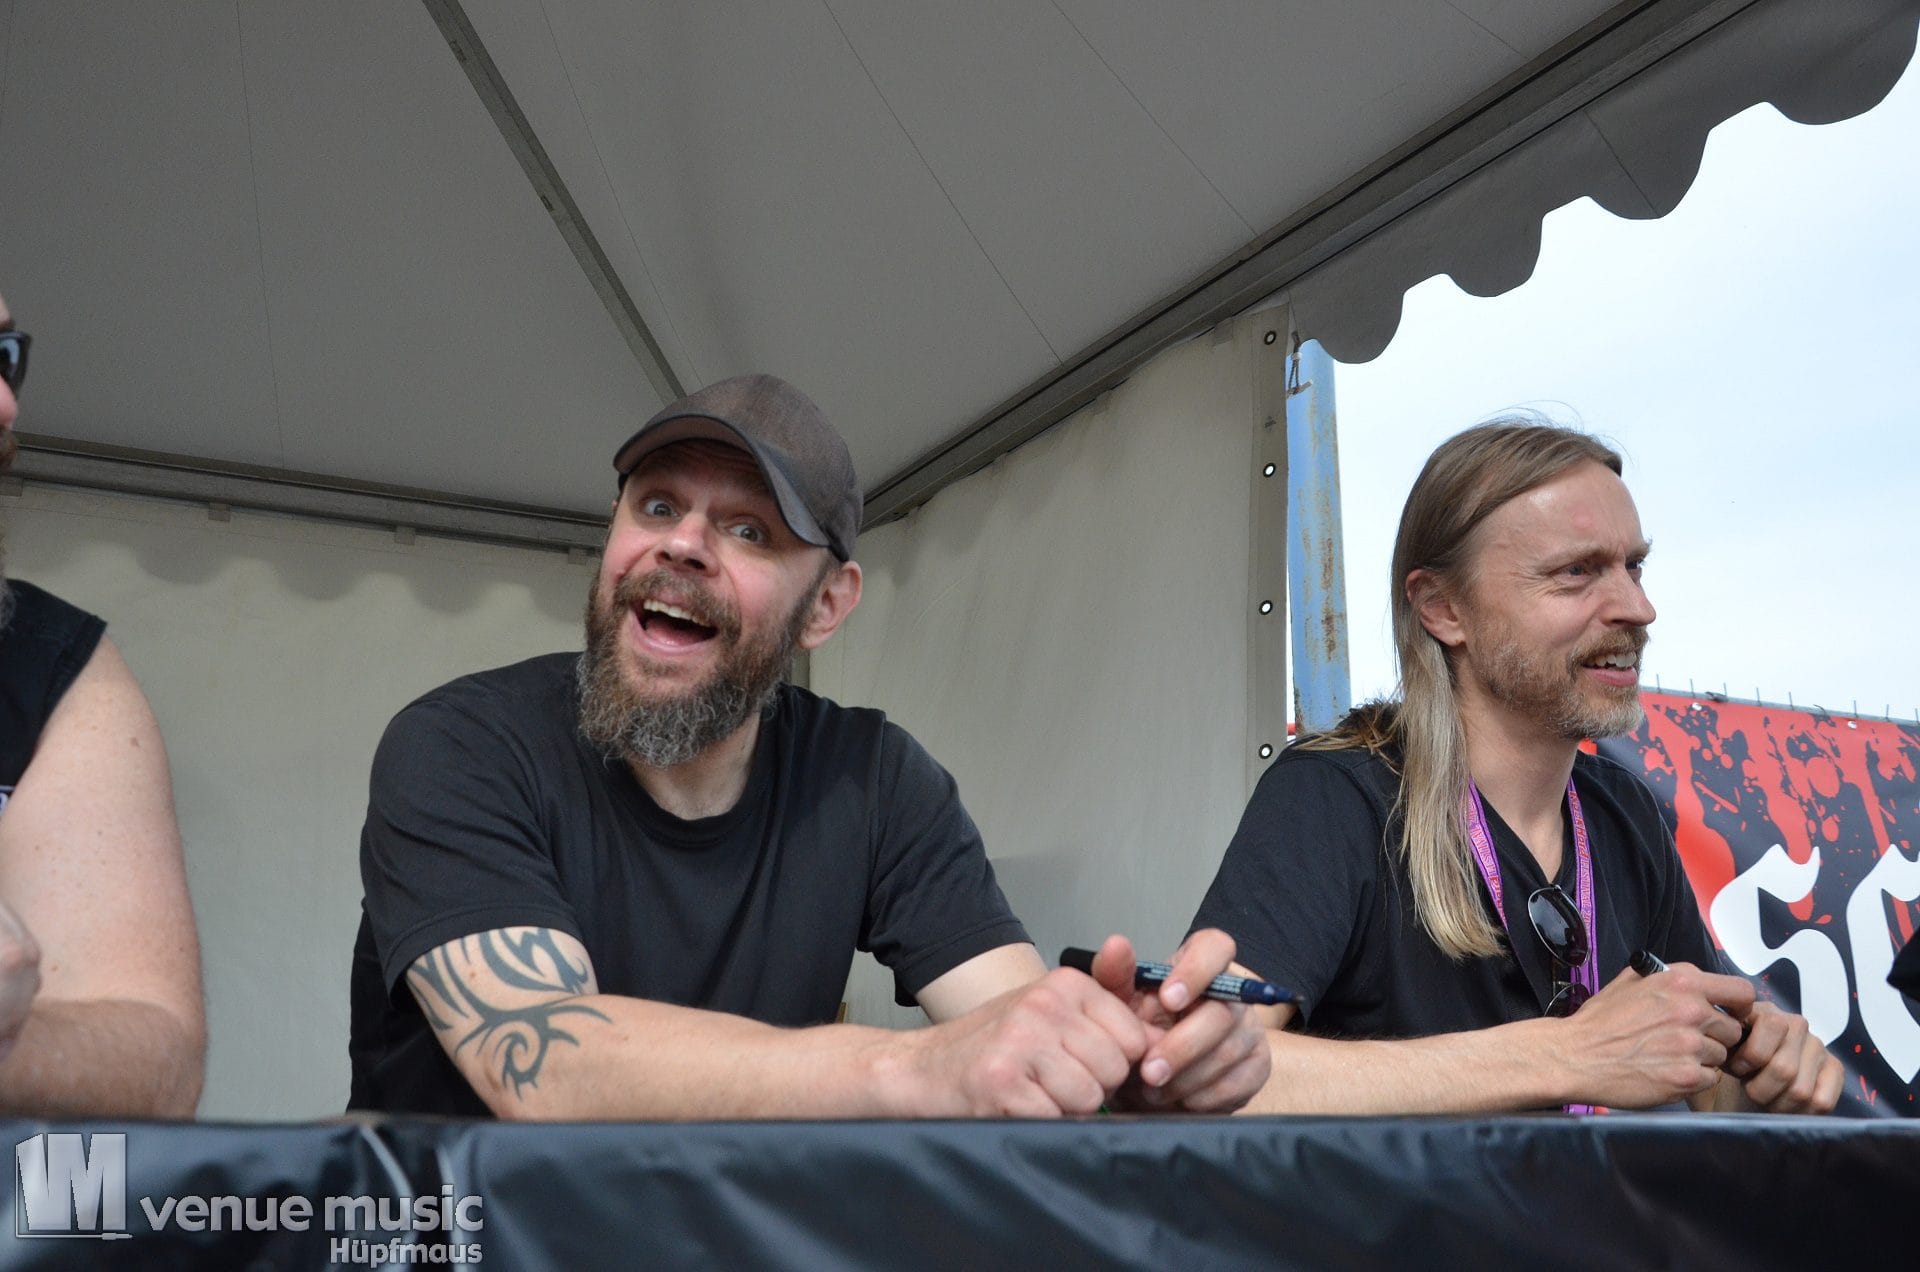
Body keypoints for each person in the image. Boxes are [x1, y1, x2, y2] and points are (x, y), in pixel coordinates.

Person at [350, 373, 1267, 1119]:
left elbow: (1004, 1023)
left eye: (749, 530)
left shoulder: (872, 780)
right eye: (657, 505)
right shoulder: (463, 747)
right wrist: (914, 1068)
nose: (684, 544)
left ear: (826, 606)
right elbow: (547, 1066)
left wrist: (1135, 1060)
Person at [1192, 419, 1842, 1115]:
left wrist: (1769, 1077)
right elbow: (1200, 1074)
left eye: (1634, 567)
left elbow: (1705, 1088)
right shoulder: (1337, 794)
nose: (1638, 608)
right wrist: (1565, 1055)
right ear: (1443, 608)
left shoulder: (1623, 813)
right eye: (1576, 573)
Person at [0, 290, 206, 1116]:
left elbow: (158, 1058)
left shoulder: (50, 660)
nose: (7, 405)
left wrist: (18, 1044)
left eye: (5, 357)